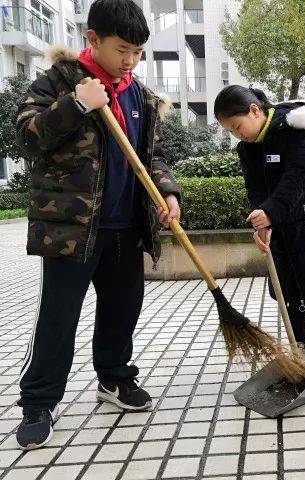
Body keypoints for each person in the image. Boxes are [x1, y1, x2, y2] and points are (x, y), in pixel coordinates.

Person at [14, 0, 181, 450]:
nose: (130, 60)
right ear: (92, 39)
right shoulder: (59, 82)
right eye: (122, 49)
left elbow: (153, 156)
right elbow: (27, 137)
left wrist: (166, 192)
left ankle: (114, 379)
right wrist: (77, 105)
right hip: (70, 228)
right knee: (58, 317)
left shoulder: (138, 93)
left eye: (138, 52)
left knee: (122, 311)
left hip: (126, 225)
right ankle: (38, 402)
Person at [214, 85, 305, 374]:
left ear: (254, 111)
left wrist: (270, 212)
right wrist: (261, 220)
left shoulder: (296, 129)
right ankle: (300, 345)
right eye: (230, 131)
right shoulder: (246, 149)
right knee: (289, 288)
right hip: (279, 224)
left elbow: (298, 178)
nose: (237, 134)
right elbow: (255, 188)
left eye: (237, 126)